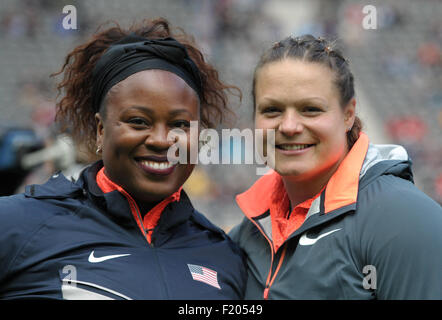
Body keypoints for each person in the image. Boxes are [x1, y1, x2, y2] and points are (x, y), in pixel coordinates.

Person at [0, 18, 246, 300]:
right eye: (139, 121)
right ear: (100, 130)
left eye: (179, 125)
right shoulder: (17, 224)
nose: (161, 140)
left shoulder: (225, 256)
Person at [229, 35, 442, 299]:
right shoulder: (247, 232)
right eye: (272, 110)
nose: (289, 126)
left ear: (348, 115)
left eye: (310, 109)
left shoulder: (406, 221)